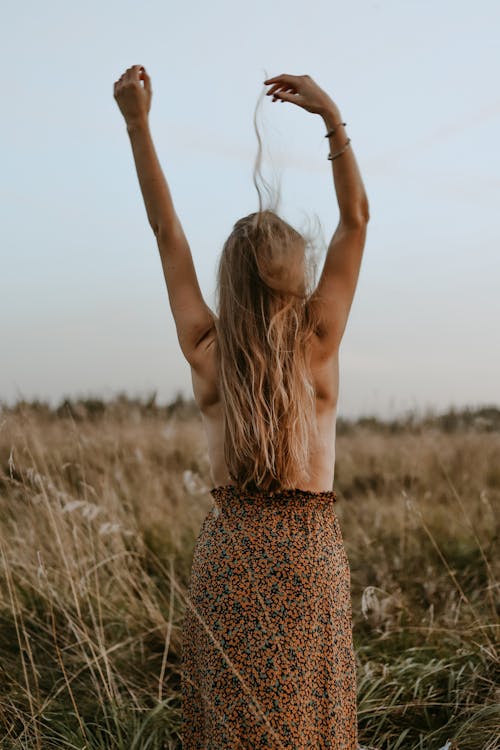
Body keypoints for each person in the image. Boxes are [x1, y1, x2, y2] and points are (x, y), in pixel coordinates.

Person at [114, 66, 369, 749]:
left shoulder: (207, 348)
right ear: (298, 272)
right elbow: (356, 219)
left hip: (229, 559)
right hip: (309, 558)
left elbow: (167, 232)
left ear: (229, 276)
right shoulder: (318, 343)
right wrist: (329, 116)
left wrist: (137, 124)